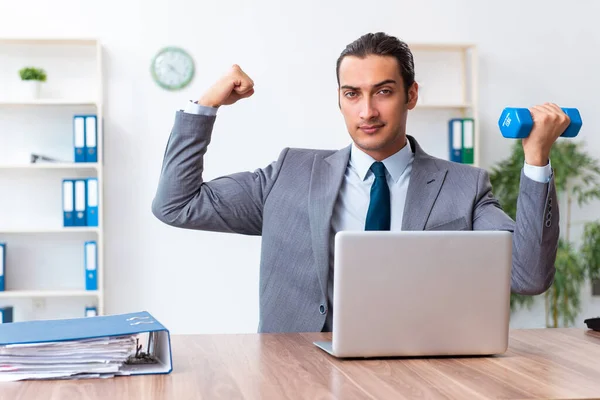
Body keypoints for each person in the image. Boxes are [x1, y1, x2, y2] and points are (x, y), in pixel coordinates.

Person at [152, 32, 564, 333]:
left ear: (411, 94)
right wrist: (205, 105)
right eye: (352, 94)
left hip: (416, 376)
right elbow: (177, 204)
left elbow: (528, 276)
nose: (367, 110)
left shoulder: (463, 187)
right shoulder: (289, 174)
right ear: (339, 99)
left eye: (383, 91)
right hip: (295, 376)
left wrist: (536, 159)